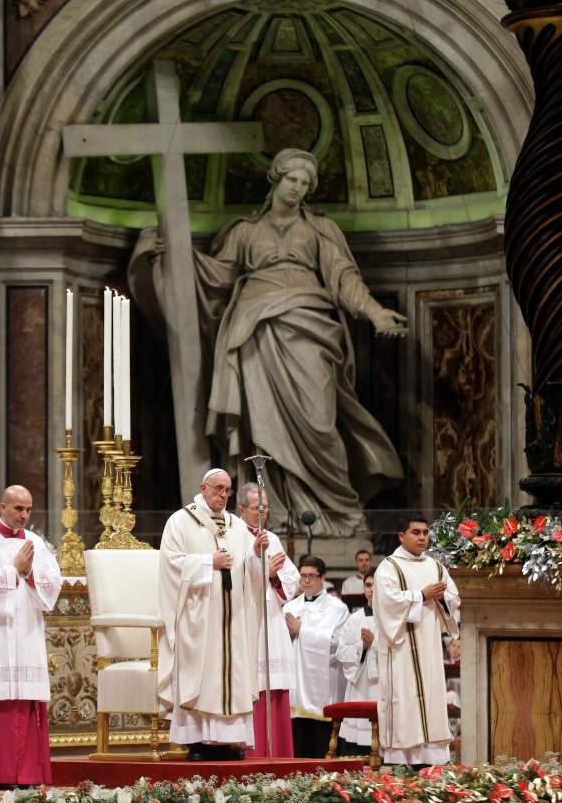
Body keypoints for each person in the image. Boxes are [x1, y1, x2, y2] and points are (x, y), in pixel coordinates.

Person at [135, 148, 406, 536]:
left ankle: (339, 513)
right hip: (254, 331)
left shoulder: (319, 230)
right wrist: (170, 254)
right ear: (276, 179)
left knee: (319, 422)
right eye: (292, 179)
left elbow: (344, 278)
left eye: (305, 183)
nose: (297, 188)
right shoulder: (244, 231)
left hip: (308, 326)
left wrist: (375, 312)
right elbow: (215, 277)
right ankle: (270, 513)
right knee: (260, 428)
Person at [158, 468, 273, 761]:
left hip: (233, 616)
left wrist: (256, 554)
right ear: (203, 488)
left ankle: (230, 741)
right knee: (201, 674)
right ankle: (197, 742)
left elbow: (250, 572)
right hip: (199, 618)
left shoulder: (236, 526)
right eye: (218, 488)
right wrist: (209, 562)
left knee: (232, 673)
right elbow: (170, 565)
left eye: (227, 490)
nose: (223, 495)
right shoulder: (181, 522)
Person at [0, 485, 62, 788]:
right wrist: (13, 569)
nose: (24, 515)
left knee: (25, 699)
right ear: (2, 507)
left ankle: (28, 775)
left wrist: (30, 574)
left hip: (26, 632)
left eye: (28, 509)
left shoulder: (36, 542)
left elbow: (52, 584)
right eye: (18, 508)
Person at [373, 518, 460, 768]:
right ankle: (401, 762)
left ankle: (431, 761)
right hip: (400, 648)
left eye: (425, 533)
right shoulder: (389, 568)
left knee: (431, 698)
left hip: (429, 646)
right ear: (401, 536)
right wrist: (421, 595)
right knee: (404, 700)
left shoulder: (435, 566)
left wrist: (443, 598)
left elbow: (453, 599)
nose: (422, 537)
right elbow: (386, 603)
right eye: (416, 532)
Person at [234, 481, 298, 758]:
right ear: (240, 509)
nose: (262, 513)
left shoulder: (272, 538)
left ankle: (280, 755)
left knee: (275, 687)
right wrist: (262, 569)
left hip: (272, 621)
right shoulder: (234, 537)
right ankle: (253, 756)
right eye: (256, 508)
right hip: (246, 621)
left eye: (266, 508)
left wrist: (273, 575)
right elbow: (236, 578)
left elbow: (292, 579)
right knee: (252, 685)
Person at [283, 555, 349, 758]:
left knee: (321, 747)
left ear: (323, 578)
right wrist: (289, 633)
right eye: (303, 576)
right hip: (296, 685)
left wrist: (301, 630)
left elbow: (337, 643)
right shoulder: (289, 607)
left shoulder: (337, 608)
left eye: (312, 576)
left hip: (323, 686)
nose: (307, 581)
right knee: (298, 745)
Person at [334, 572, 378, 755]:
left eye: (376, 585)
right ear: (363, 589)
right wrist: (363, 647)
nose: (372, 590)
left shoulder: (393, 619)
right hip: (361, 684)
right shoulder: (355, 619)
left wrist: (375, 644)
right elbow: (341, 652)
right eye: (368, 585)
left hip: (385, 683)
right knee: (359, 745)